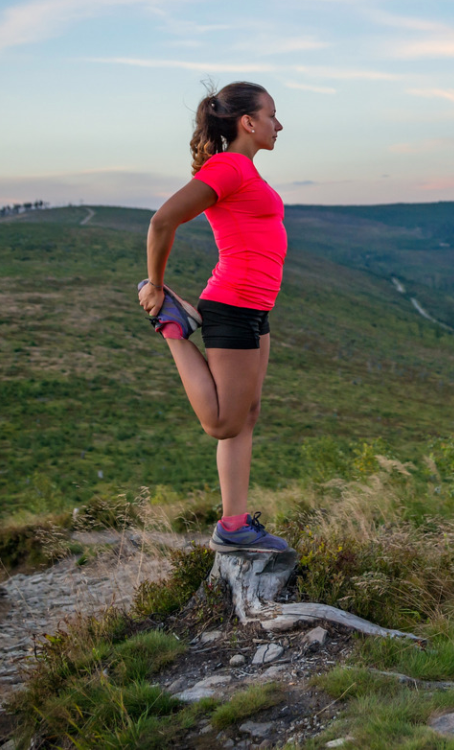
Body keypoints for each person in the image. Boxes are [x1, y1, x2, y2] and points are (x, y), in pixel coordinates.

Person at [138, 81, 290, 553]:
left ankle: (235, 524)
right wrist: (155, 284)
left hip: (257, 307)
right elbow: (162, 220)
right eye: (271, 115)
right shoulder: (227, 167)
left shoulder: (245, 170)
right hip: (233, 303)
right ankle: (172, 326)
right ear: (247, 122)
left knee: (248, 415)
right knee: (223, 423)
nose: (278, 125)